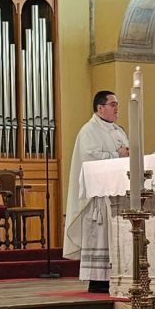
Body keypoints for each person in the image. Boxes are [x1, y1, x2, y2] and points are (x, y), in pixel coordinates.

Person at [63, 91, 129, 293]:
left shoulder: (118, 131)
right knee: (99, 236)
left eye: (117, 104)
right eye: (112, 104)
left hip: (117, 193)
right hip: (98, 198)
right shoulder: (89, 130)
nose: (117, 108)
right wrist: (116, 155)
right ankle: (98, 281)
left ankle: (116, 277)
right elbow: (89, 159)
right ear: (100, 108)